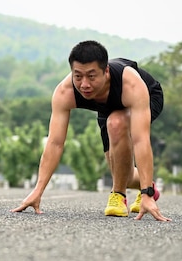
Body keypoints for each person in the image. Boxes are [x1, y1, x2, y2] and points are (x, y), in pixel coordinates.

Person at [11, 40, 171, 221]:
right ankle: (147, 183)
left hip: (148, 97)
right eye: (78, 76)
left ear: (106, 72)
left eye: (91, 76)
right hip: (107, 108)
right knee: (121, 172)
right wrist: (37, 191)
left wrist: (147, 195)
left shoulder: (131, 85)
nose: (84, 84)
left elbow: (141, 140)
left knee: (116, 122)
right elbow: (55, 142)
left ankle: (119, 195)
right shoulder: (65, 92)